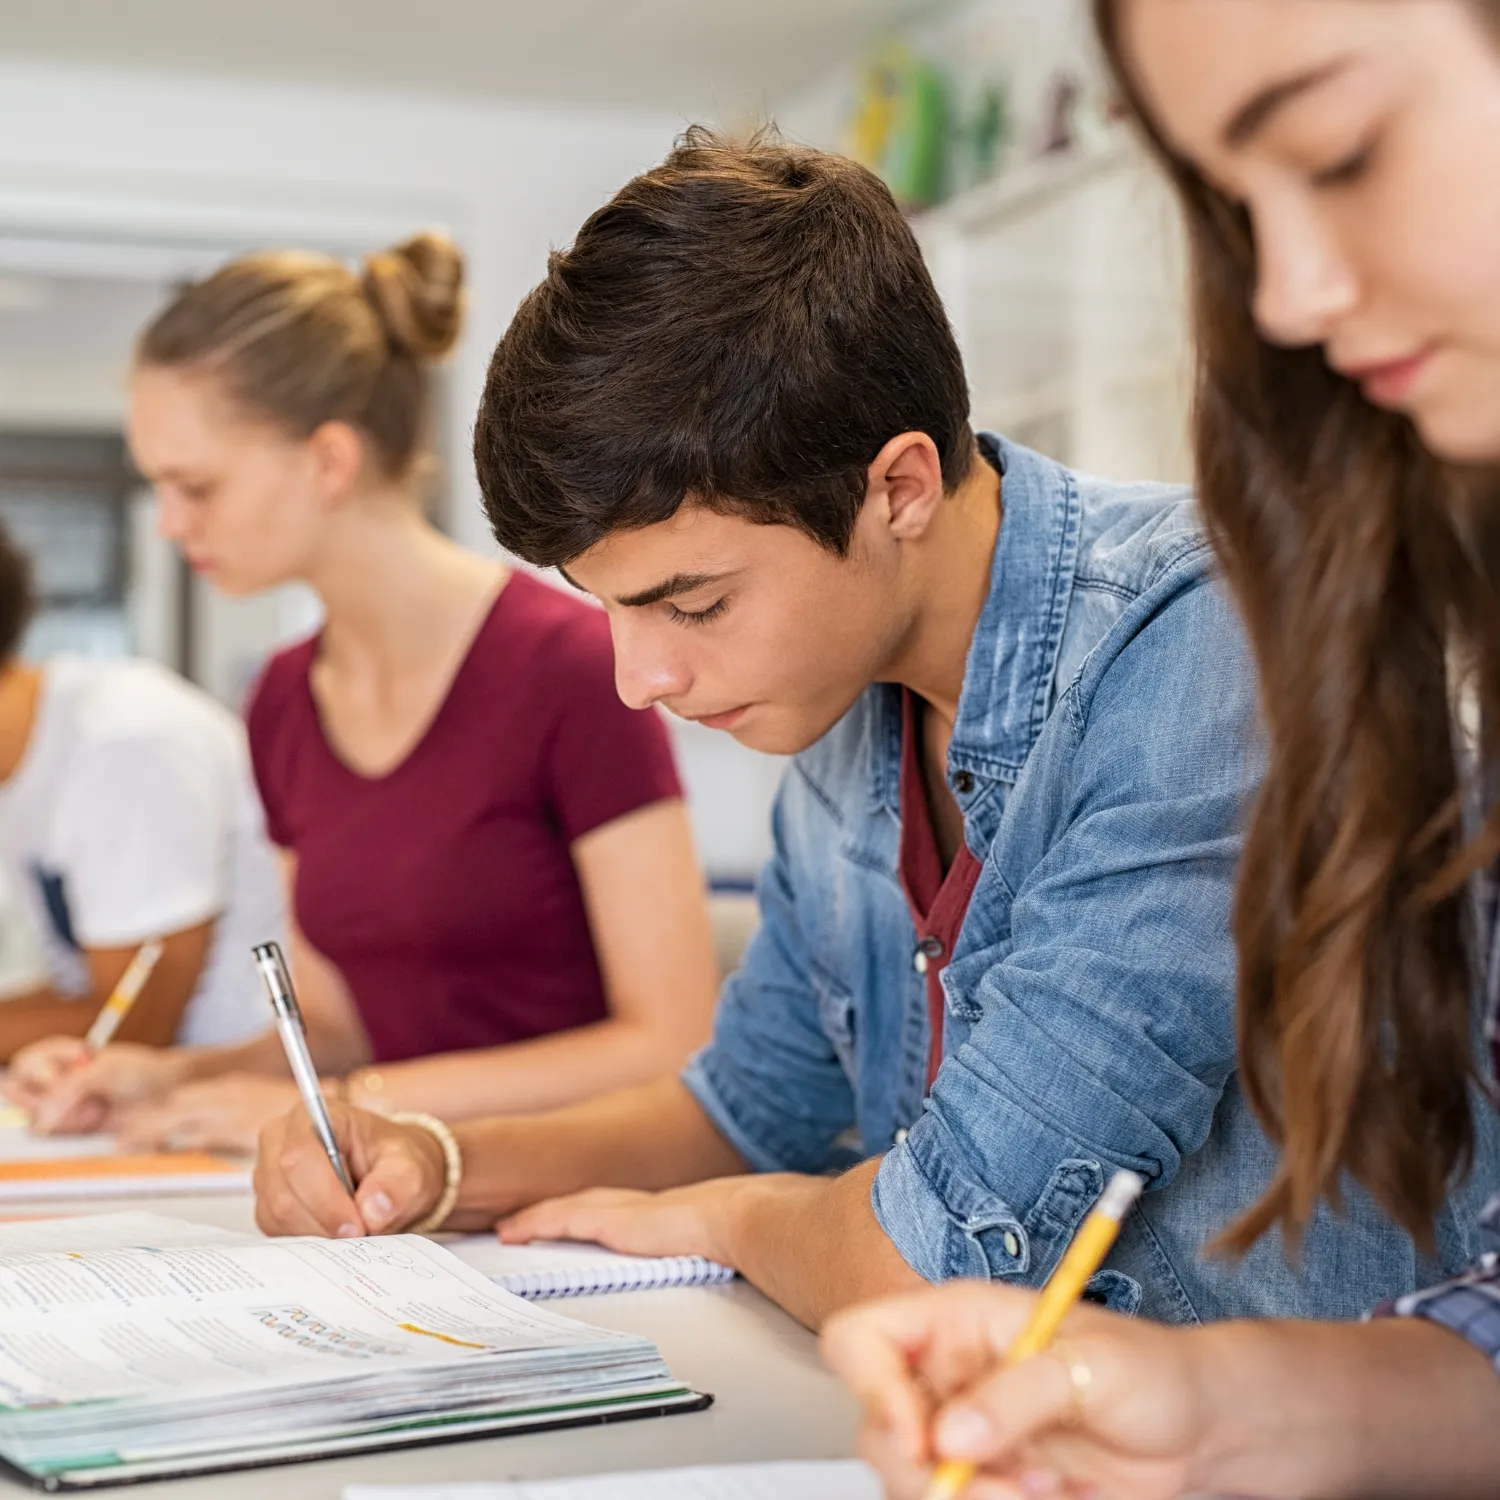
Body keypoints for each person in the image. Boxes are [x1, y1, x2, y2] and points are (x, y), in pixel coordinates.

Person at [251, 133, 1498, 1335]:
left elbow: (946, 1258)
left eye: (691, 602)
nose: (640, 678)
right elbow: (751, 1110)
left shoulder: (1201, 646)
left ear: (897, 487)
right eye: (612, 609)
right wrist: (437, 1160)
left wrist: (741, 1222)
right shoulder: (850, 701)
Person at [821, 2, 1500, 1495]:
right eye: (1236, 209)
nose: (1294, 296)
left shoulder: (1179, 640)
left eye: (1345, 149)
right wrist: (1213, 1405)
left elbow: (948, 1217)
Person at [5, 233, 719, 1153]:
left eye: (196, 487)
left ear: (328, 461)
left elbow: (671, 1040)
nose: (173, 524)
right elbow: (339, 1028)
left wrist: (352, 1103)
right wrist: (168, 1077)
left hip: (582, 1194)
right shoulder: (283, 702)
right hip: (400, 1202)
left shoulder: (576, 667)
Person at [0, 522, 283, 1059]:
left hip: (246, 1097)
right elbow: (79, 992)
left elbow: (132, 1023)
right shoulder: (21, 767)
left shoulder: (126, 742)